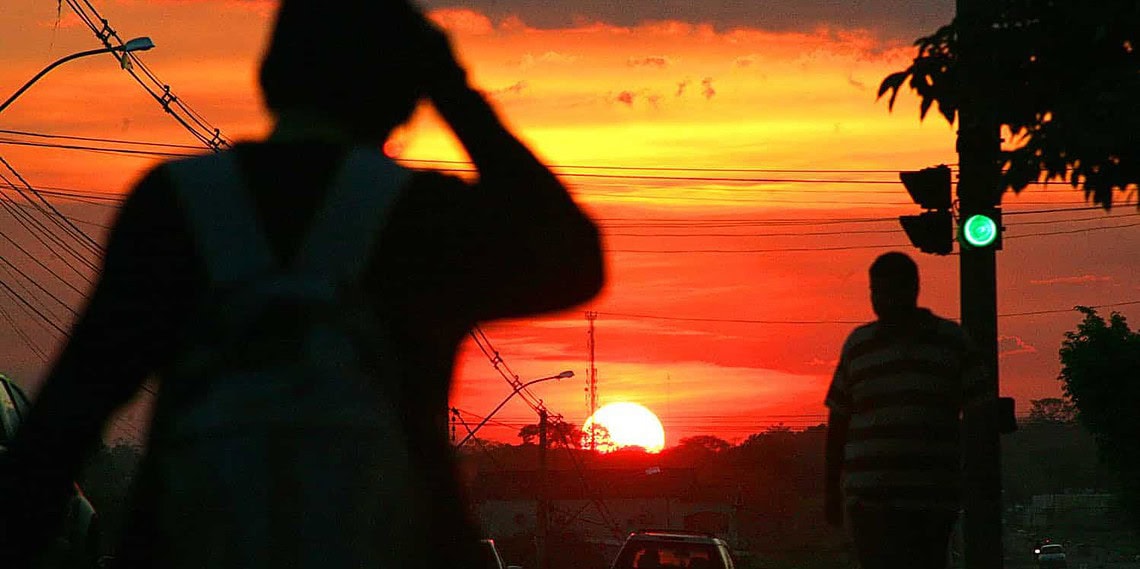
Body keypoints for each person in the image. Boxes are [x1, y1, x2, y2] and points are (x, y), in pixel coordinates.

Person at [0, 1, 603, 567]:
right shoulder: (423, 218)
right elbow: (575, 260)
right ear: (404, 93)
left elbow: (64, 423)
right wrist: (455, 90)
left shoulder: (175, 206)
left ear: (270, 77)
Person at [824, 252, 987, 569]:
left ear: (913, 289)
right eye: (876, 292)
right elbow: (838, 424)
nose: (882, 301)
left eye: (889, 291)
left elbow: (979, 417)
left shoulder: (951, 342)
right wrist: (831, 492)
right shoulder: (859, 345)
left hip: (930, 497)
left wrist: (976, 479)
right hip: (870, 499)